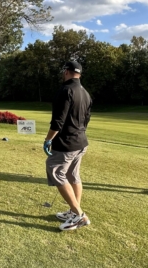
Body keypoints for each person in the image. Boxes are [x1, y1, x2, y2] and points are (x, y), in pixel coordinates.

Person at [44, 61, 92, 231]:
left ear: (66, 72)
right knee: (73, 175)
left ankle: (79, 215)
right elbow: (87, 119)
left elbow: (57, 121)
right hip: (81, 141)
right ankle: (74, 211)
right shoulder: (85, 93)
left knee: (55, 170)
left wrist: (48, 139)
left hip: (67, 143)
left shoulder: (65, 90)